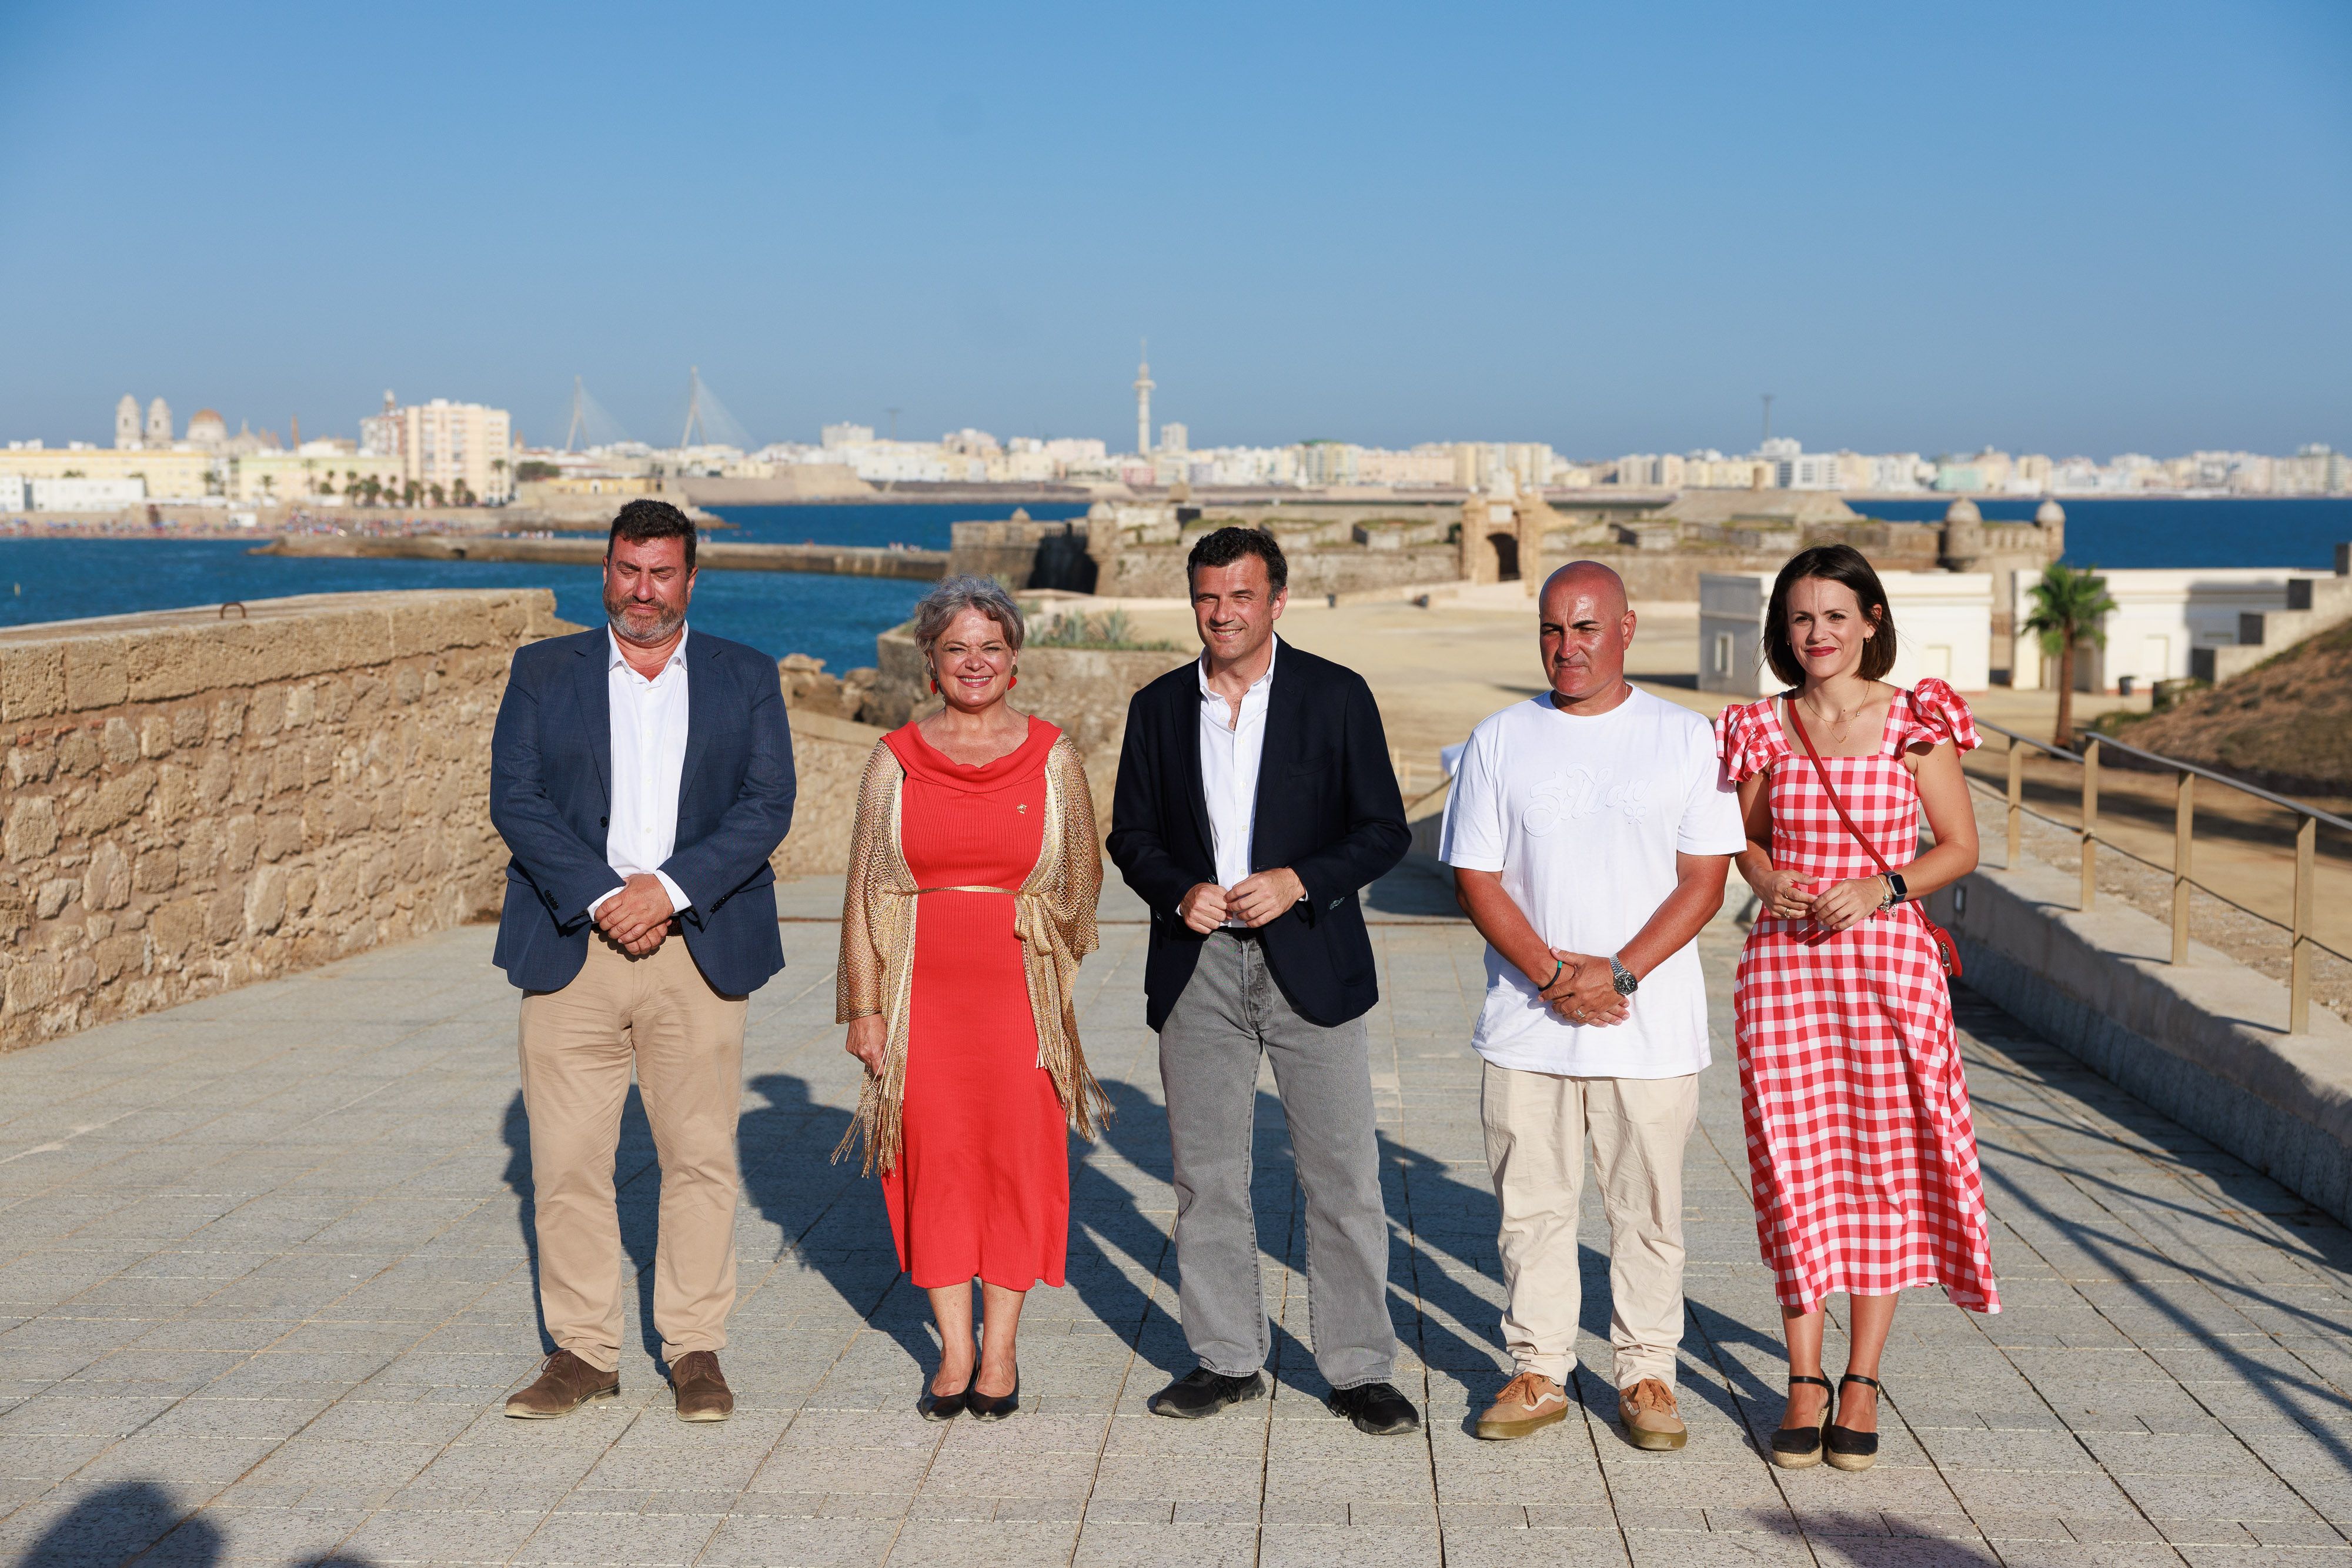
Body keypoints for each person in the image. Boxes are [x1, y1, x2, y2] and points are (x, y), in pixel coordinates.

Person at [489, 499, 797, 1423]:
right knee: (568, 1160)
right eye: (629, 571)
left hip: (695, 945)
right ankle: (583, 1353)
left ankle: (696, 1347)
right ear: (607, 573)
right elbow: (518, 798)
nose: (644, 592)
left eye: (662, 574)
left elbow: (765, 804)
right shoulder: (544, 672)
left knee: (699, 1154)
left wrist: (664, 890)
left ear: (691, 580)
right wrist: (602, 895)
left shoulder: (745, 676)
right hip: (572, 942)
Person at [1107, 526, 1419, 1437]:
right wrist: (1179, 891)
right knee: (1207, 1177)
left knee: (1345, 1177)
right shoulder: (1159, 706)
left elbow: (1384, 830)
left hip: (1311, 960)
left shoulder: (1336, 696)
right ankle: (1225, 1358)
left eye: (1242, 596)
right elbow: (1132, 836)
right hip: (1195, 965)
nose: (1224, 614)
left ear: (1277, 601)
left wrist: (1300, 880)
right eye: (1209, 597)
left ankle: (1359, 1368)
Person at [1441, 563, 1744, 1451]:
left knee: (1647, 1212)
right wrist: (1549, 976)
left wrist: (1619, 975)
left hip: (1647, 1028)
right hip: (1527, 1024)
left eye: (1584, 629)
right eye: (1550, 630)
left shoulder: (1687, 738)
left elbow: (1705, 882)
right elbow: (1474, 875)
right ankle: (1539, 1369)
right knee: (1532, 1207)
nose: (1566, 648)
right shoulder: (1501, 737)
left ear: (1626, 629)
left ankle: (1648, 1375)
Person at [1716, 543, 1997, 1473]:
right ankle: (1803, 1378)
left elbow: (1959, 846)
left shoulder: (1917, 720)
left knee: (1884, 1165)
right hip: (1787, 973)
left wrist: (1883, 888)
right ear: (1782, 631)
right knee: (1796, 1169)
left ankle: (1862, 1378)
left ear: (1870, 620)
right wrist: (1770, 877)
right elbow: (1744, 843)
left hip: (1890, 974)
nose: (1818, 635)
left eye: (1836, 616)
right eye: (1801, 619)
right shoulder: (1762, 726)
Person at [836, 576, 1105, 1423]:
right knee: (935, 1163)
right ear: (931, 660)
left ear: (1015, 657)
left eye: (991, 646)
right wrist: (867, 1008)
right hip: (924, 994)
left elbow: (1085, 879)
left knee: (1018, 1165)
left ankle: (1003, 1349)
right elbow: (863, 891)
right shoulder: (894, 761)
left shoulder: (1055, 756)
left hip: (1019, 991)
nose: (976, 662)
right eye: (958, 648)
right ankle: (954, 1350)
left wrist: (1043, 943)